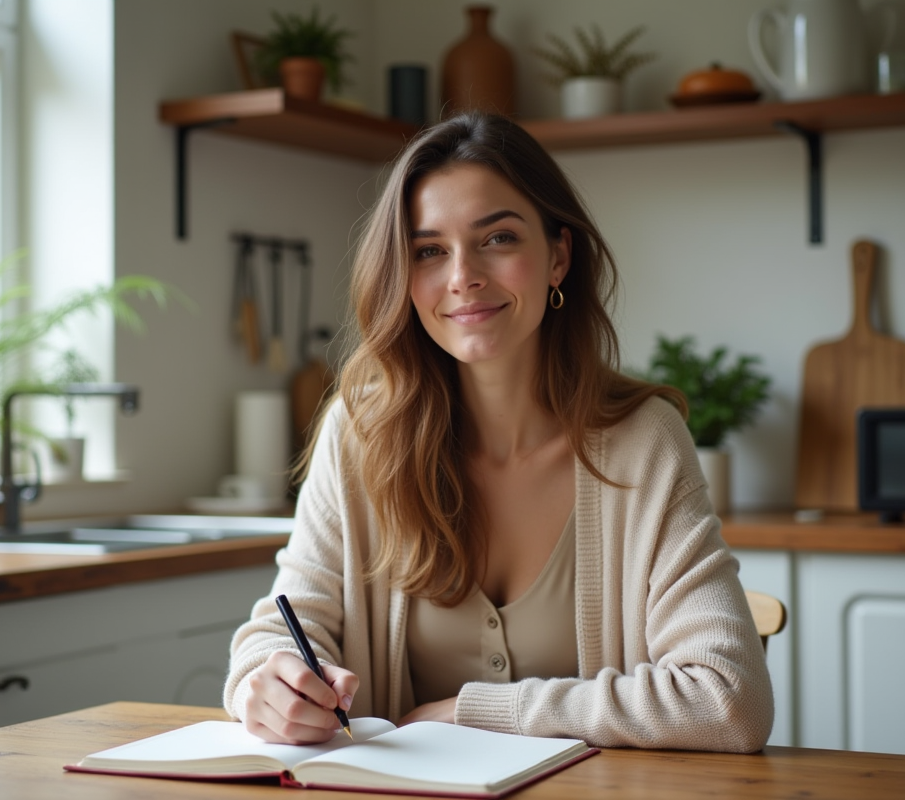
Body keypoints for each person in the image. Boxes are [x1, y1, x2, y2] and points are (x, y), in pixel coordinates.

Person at [224, 112, 773, 752]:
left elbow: (730, 701)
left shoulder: (644, 442)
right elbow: (282, 633)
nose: (462, 276)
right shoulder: (359, 434)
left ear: (558, 257)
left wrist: (478, 710)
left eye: (499, 238)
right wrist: (265, 686)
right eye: (429, 251)